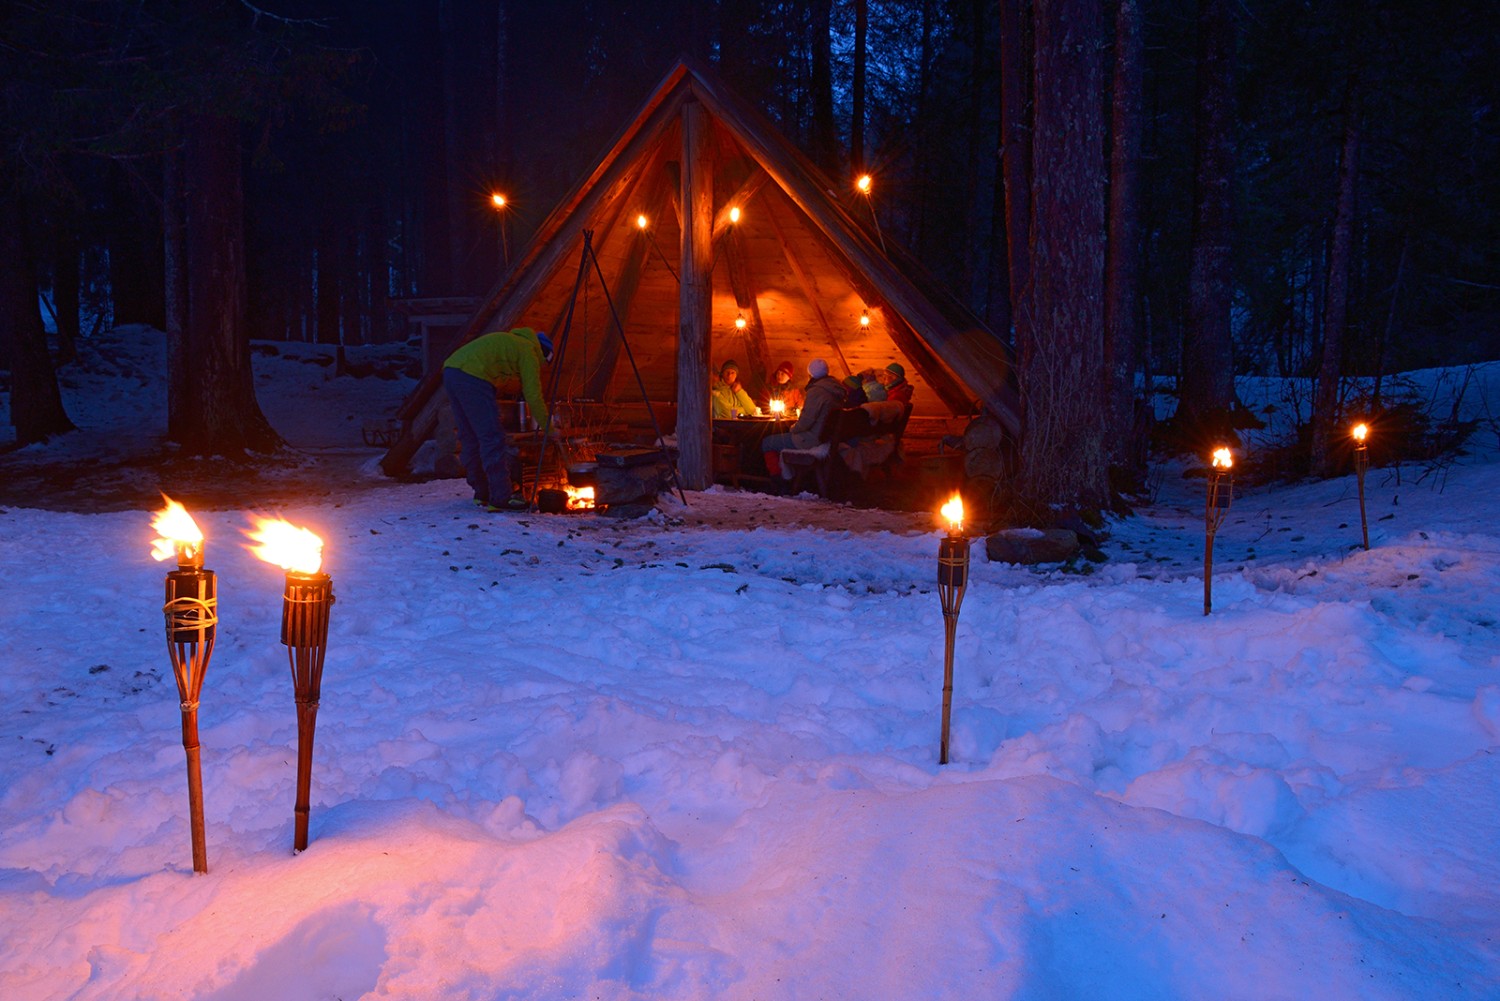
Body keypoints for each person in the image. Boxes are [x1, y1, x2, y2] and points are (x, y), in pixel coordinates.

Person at [442, 326, 553, 511]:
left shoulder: (512, 343)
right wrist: (549, 428)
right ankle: (501, 497)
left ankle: (482, 493)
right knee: (492, 437)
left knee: (470, 436)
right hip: (473, 376)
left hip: (452, 371)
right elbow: (533, 396)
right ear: (544, 353)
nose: (540, 366)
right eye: (543, 363)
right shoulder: (528, 351)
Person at [760, 358, 847, 479]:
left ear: (811, 374)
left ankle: (778, 480)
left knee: (767, 442)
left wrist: (792, 429)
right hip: (825, 437)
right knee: (779, 438)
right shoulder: (835, 390)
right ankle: (789, 476)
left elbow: (806, 421)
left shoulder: (817, 391)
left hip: (811, 439)